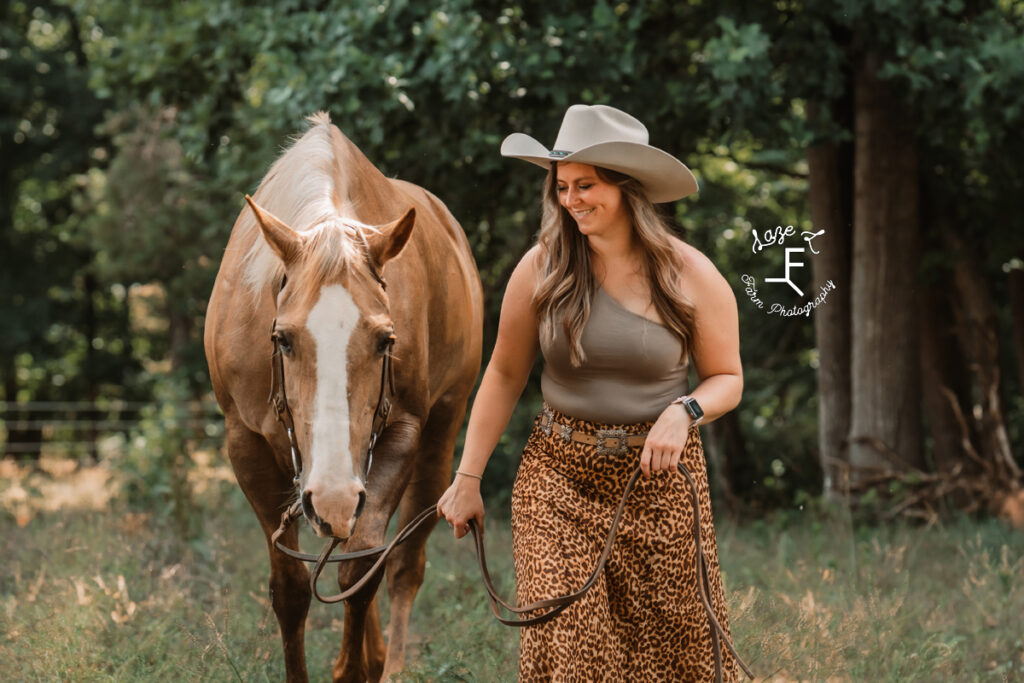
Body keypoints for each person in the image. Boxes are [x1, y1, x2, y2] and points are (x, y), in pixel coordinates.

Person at [437, 104, 744, 681]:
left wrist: (686, 409)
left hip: (658, 484)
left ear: (627, 189)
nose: (571, 199)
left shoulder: (689, 273)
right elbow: (504, 374)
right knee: (568, 636)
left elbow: (728, 378)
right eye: (562, 187)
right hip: (557, 477)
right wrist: (467, 477)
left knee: (671, 656)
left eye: (587, 185)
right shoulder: (542, 269)